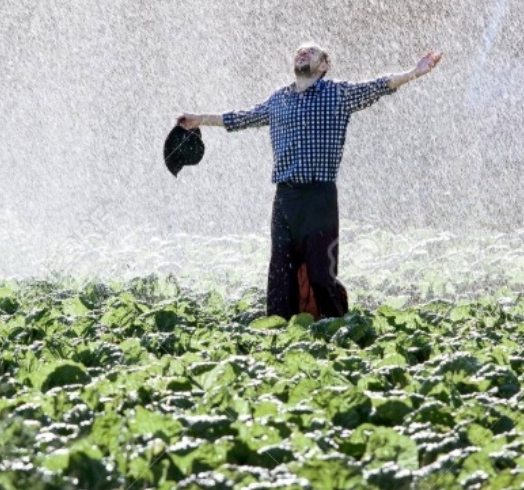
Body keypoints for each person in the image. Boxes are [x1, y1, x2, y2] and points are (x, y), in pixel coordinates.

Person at [178, 43, 443, 320]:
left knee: (321, 275)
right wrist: (199, 120)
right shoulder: (278, 99)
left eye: (312, 52)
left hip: (320, 198)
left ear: (324, 65)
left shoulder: (339, 94)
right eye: (299, 51)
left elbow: (379, 86)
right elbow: (242, 118)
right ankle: (279, 332)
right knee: (280, 275)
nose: (303, 53)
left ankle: (339, 328)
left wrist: (415, 72)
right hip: (285, 200)